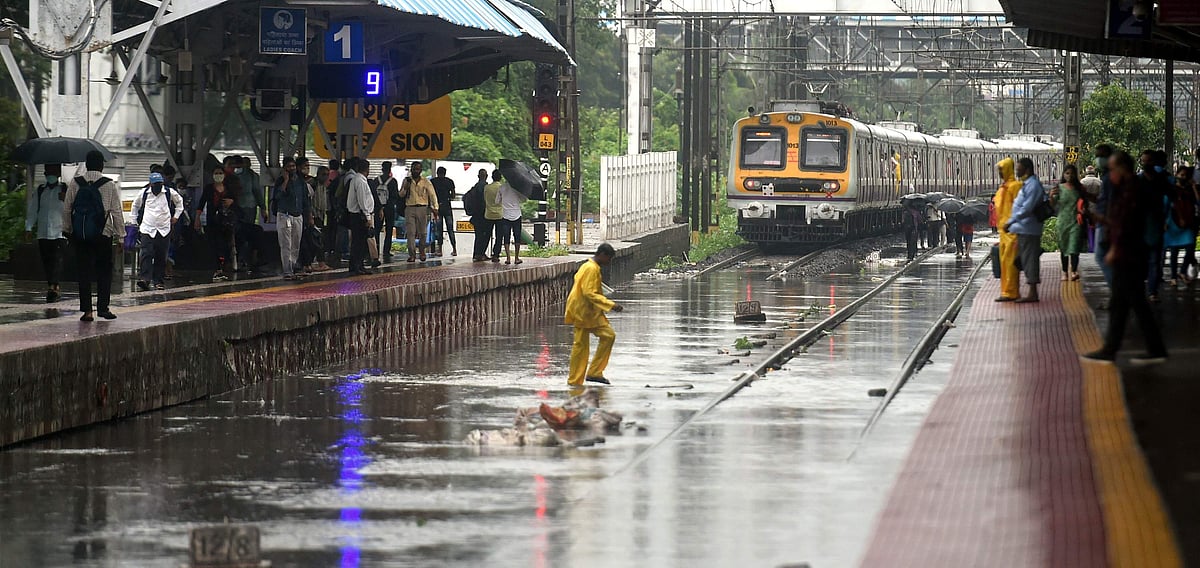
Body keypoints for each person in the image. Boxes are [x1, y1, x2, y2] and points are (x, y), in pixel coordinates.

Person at [1082, 151, 1168, 365]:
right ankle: (1125, 348)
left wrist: (1114, 250)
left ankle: (1120, 349)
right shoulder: (1131, 188)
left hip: (1129, 254)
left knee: (1131, 302)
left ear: (1121, 168)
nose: (1110, 174)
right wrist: (1099, 217)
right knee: (1128, 303)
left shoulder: (1132, 191)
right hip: (1132, 253)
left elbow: (1127, 224)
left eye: (1112, 169)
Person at [62, 150, 124, 322]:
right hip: (103, 234)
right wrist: (121, 237)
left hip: (81, 234)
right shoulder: (109, 184)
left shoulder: (76, 183)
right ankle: (103, 308)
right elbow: (116, 212)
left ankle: (87, 311)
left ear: (87, 165)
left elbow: (67, 208)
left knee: (84, 272)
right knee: (104, 271)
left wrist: (67, 230)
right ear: (101, 165)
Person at [565, 243, 624, 386]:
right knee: (580, 347)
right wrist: (610, 305)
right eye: (608, 259)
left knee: (608, 336)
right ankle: (575, 380)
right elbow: (589, 292)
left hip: (590, 312)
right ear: (602, 255)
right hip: (582, 311)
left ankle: (594, 372)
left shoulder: (589, 267)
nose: (608, 263)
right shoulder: (590, 269)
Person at [130, 172, 183, 291]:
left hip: (164, 228)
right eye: (155, 184)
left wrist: (176, 216)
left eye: (159, 184)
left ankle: (158, 281)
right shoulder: (143, 193)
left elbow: (180, 203)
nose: (158, 187)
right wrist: (134, 221)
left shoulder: (170, 193)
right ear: (150, 184)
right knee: (146, 253)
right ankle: (145, 279)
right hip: (147, 228)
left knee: (161, 255)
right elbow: (135, 206)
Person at [1004, 157, 1047, 303]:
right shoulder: (1027, 184)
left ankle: (1032, 293)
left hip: (1029, 228)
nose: (1016, 170)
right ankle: (1030, 290)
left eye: (1019, 168)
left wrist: (1011, 221)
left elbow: (1027, 208)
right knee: (1024, 259)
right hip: (1024, 229)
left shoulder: (1033, 185)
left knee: (1029, 260)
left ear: (1027, 169)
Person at [25, 163, 67, 302]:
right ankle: (52, 285)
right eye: (47, 171)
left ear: (58, 174)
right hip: (43, 232)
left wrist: (65, 199)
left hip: (60, 232)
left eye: (53, 172)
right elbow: (33, 210)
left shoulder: (65, 189)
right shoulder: (40, 190)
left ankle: (54, 287)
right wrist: (28, 227)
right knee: (47, 260)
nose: (50, 175)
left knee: (57, 260)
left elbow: (72, 208)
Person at [195, 165, 241, 281]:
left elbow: (237, 204)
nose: (218, 175)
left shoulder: (229, 188)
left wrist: (232, 202)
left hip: (226, 221)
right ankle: (217, 268)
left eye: (220, 173)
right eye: (216, 173)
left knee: (225, 245)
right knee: (214, 244)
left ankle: (223, 267)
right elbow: (201, 204)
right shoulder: (209, 188)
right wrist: (197, 219)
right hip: (212, 221)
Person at [272, 157, 313, 280]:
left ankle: (294, 266)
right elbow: (277, 196)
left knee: (295, 244)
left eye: (293, 166)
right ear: (284, 168)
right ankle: (287, 270)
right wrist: (285, 180)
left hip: (298, 215)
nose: (292, 168)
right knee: (286, 244)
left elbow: (306, 200)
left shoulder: (300, 181)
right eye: (289, 166)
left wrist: (309, 215)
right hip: (285, 215)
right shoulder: (280, 181)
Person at [1139, 150, 1170, 302]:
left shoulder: (1161, 180)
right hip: (1140, 226)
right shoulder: (1137, 180)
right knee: (1144, 260)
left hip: (1156, 224)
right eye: (1143, 161)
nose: (1145, 164)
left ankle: (1152, 291)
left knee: (1154, 260)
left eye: (1148, 161)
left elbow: (1172, 197)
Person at [1050, 164, 1086, 281]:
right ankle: (1065, 271)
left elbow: (1084, 203)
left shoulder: (1080, 189)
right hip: (1063, 222)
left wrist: (1083, 210)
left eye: (1072, 173)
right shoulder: (1059, 188)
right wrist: (1051, 196)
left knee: (1074, 247)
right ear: (1063, 174)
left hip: (1076, 221)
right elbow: (1052, 205)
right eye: (1067, 173)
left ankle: (1074, 271)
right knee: (1064, 248)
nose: (1069, 176)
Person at [993, 158, 1022, 302]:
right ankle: (1005, 290)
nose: (1000, 173)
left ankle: (1012, 291)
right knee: (1004, 262)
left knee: (1011, 263)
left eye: (1001, 170)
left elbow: (1019, 208)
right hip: (1003, 232)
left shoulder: (1015, 187)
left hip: (1013, 230)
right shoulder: (1002, 188)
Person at [399, 161, 439, 262]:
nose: (415, 171)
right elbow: (401, 194)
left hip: (423, 208)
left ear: (420, 170)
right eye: (413, 169)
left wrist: (435, 208)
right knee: (411, 233)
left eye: (417, 169)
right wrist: (405, 187)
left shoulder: (426, 181)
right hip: (410, 208)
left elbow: (432, 195)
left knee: (423, 233)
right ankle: (412, 254)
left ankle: (422, 251)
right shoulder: (407, 180)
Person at [233, 156, 267, 271]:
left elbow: (257, 192)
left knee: (247, 233)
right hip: (240, 208)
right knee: (242, 233)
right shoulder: (235, 176)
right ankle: (244, 258)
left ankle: (246, 258)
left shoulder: (252, 176)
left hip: (249, 207)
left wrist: (263, 207)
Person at [1165, 166, 1197, 286]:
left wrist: (1194, 187)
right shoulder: (1171, 189)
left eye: (1185, 175)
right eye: (1181, 174)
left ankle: (1182, 271)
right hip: (1173, 222)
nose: (1183, 177)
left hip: (1188, 221)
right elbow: (1167, 205)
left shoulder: (1189, 190)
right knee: (1174, 251)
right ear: (1177, 174)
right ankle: (1174, 276)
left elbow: (1198, 201)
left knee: (1190, 247)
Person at [1090, 144, 1115, 288]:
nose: (1098, 159)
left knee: (1101, 257)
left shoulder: (1110, 178)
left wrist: (1106, 224)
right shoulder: (1107, 176)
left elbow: (1110, 202)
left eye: (1101, 156)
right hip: (1104, 223)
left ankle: (1117, 292)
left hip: (1105, 224)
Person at [345, 157, 376, 275]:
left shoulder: (355, 179)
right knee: (359, 242)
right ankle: (357, 266)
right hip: (360, 215)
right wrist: (367, 217)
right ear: (367, 169)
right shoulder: (361, 181)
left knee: (358, 242)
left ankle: (357, 265)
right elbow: (362, 200)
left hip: (356, 214)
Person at [496, 178, 527, 264]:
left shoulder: (501, 188)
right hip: (517, 215)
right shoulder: (517, 188)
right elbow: (524, 199)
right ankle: (516, 258)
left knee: (506, 237)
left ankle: (508, 258)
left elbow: (497, 201)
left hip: (505, 216)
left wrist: (504, 200)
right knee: (517, 237)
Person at [375, 161, 399, 261]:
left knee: (376, 229)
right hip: (389, 208)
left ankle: (375, 249)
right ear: (390, 169)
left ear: (382, 168)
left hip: (378, 208)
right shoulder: (393, 181)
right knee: (389, 229)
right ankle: (386, 250)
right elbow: (395, 196)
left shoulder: (376, 180)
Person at [465, 168, 491, 261]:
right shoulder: (487, 187)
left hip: (476, 215)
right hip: (485, 215)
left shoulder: (474, 187)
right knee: (486, 235)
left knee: (478, 235)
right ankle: (481, 253)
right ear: (486, 176)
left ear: (478, 176)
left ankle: (476, 254)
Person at [431, 166, 457, 257]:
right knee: (450, 229)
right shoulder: (449, 181)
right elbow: (453, 195)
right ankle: (454, 249)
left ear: (437, 173)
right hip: (447, 207)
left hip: (437, 207)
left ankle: (440, 250)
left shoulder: (433, 182)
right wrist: (448, 197)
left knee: (439, 229)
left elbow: (431, 194)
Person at [483, 170, 505, 262]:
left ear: (492, 177)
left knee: (487, 235)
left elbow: (485, 199)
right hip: (500, 214)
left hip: (488, 214)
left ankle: (482, 252)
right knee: (499, 236)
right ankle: (496, 254)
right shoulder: (502, 188)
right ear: (500, 178)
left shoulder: (487, 187)